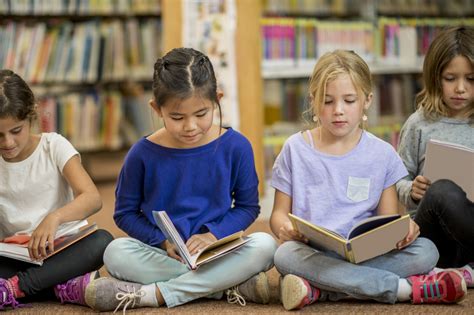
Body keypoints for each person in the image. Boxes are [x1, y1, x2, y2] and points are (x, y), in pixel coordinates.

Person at [270, 50, 467, 311]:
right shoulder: (295, 148)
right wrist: (285, 229)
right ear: (313, 101)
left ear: (367, 101)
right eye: (327, 101)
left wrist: (403, 232)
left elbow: (387, 221)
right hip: (312, 253)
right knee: (283, 254)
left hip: (364, 257)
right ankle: (402, 289)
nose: (338, 111)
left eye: (349, 100)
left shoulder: (382, 153)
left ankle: (322, 288)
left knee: (427, 250)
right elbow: (278, 216)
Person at [84, 48, 277, 312]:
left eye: (201, 114)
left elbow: (248, 207)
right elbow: (125, 214)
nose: (190, 126)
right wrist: (162, 241)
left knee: (266, 246)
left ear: (217, 100)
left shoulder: (237, 147)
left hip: (218, 252)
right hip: (166, 255)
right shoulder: (141, 154)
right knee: (115, 252)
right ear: (156, 108)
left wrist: (213, 236)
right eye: (177, 117)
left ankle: (157, 294)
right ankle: (225, 285)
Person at [0, 69, 113, 310]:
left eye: (16, 131)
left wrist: (55, 217)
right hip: (18, 256)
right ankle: (64, 286)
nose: (8, 143)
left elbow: (93, 198)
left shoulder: (54, 146)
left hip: (63, 250)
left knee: (103, 242)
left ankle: (14, 289)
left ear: (30, 116)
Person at [396, 26, 473, 281]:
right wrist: (411, 190)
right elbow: (396, 180)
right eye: (450, 78)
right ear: (435, 77)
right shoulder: (419, 124)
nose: (460, 88)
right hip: (433, 237)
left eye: (471, 79)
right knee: (441, 191)